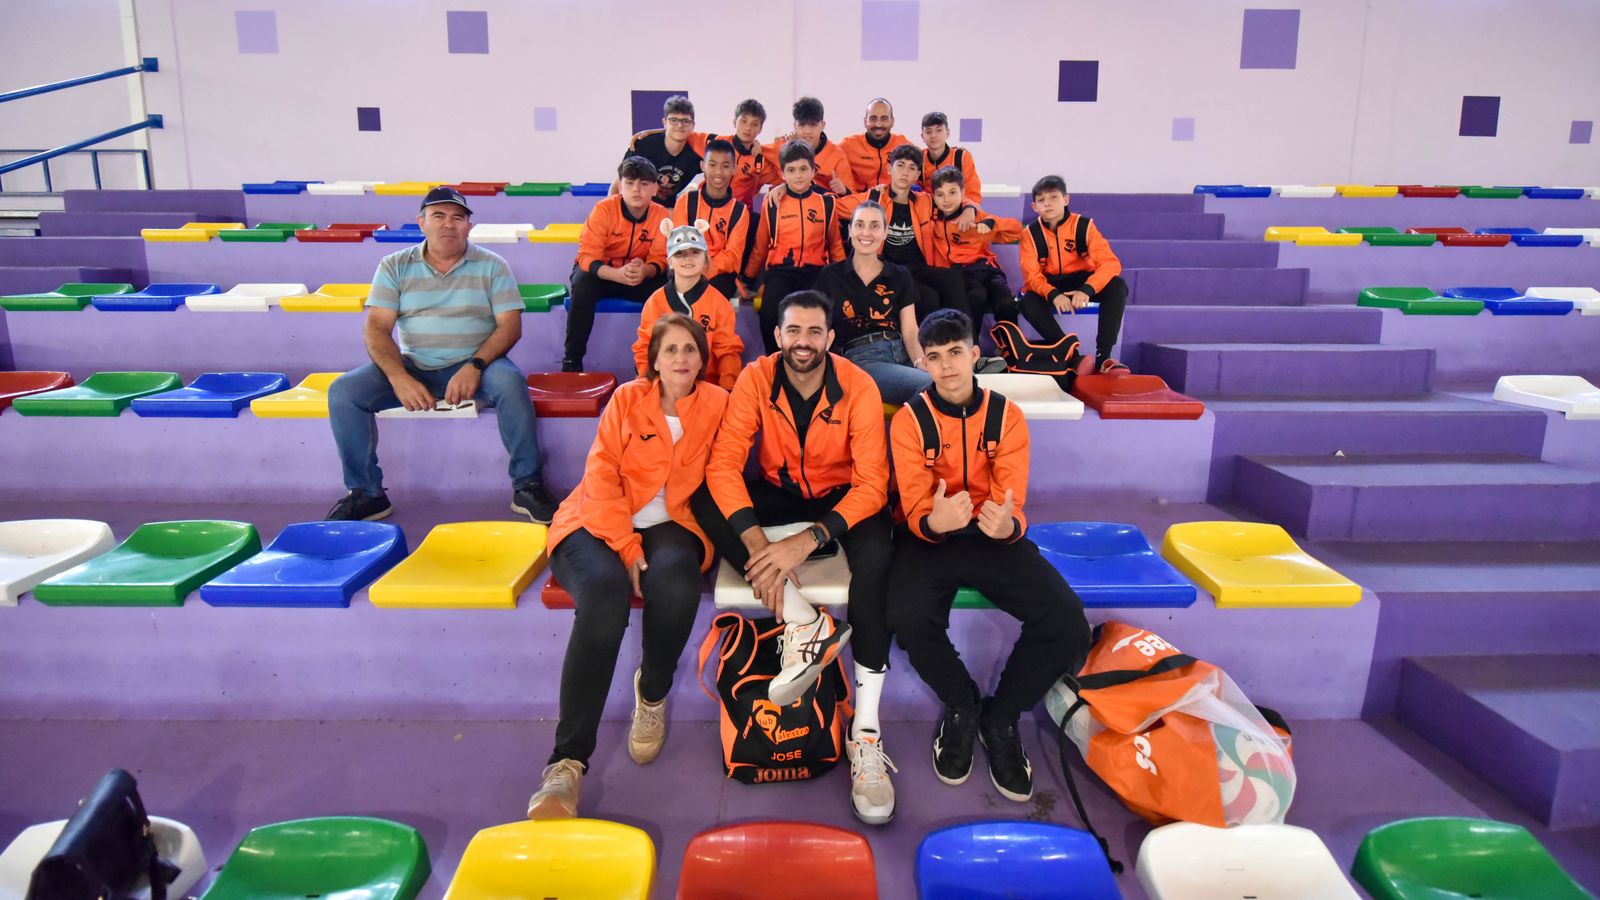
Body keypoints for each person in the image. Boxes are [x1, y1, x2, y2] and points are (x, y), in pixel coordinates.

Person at [692, 290, 898, 825]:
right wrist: (760, 547)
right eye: (792, 331)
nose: (802, 342)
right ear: (778, 334)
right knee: (703, 494)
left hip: (843, 499)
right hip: (782, 491)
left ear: (830, 339)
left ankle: (866, 733)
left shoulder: (859, 385)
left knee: (876, 561)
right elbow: (724, 466)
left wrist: (804, 542)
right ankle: (803, 618)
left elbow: (874, 484)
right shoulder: (756, 378)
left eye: (813, 332)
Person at [528, 314, 731, 819]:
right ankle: (566, 764)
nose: (682, 359)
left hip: (674, 523)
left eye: (690, 349)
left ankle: (653, 691)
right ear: (654, 360)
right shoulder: (625, 399)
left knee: (679, 582)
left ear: (703, 358)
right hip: (595, 522)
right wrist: (625, 546)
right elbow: (599, 477)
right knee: (604, 595)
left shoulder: (718, 405)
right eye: (671, 350)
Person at [886, 308, 1093, 803]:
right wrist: (933, 522)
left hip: (988, 535)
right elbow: (913, 503)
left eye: (955, 352)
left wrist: (1008, 526)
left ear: (975, 355)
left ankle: (1001, 717)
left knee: (1066, 622)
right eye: (934, 357)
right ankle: (962, 705)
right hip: (931, 538)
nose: (947, 366)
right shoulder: (910, 419)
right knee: (905, 617)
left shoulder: (1007, 415)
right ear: (924, 363)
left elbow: (1012, 500)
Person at [325, 187, 555, 524]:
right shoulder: (394, 265)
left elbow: (509, 327)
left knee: (510, 382)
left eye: (457, 218)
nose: (448, 224)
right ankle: (366, 493)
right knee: (344, 392)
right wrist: (399, 377)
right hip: (414, 365)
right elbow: (376, 329)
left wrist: (475, 366)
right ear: (421, 223)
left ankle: (528, 486)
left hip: (478, 364)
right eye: (439, 216)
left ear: (469, 227)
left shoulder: (492, 266)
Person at [814, 200, 932, 405]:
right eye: (860, 225)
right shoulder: (831, 276)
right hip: (862, 359)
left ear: (885, 232)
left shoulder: (900, 275)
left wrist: (919, 361)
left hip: (902, 352)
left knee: (960, 382)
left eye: (875, 226)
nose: (866, 232)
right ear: (850, 230)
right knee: (933, 385)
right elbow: (818, 326)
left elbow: (910, 330)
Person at [837, 143, 970, 323]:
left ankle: (967, 343)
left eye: (912, 168)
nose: (905, 172)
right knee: (928, 298)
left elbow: (952, 204)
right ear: (889, 169)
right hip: (887, 269)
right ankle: (925, 349)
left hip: (917, 267)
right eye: (900, 165)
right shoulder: (873, 198)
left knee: (952, 278)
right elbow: (830, 206)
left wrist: (970, 208)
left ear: (917, 175)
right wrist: (785, 188)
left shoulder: (925, 201)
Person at [565, 156, 670, 372]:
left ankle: (651, 364)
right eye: (629, 183)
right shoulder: (603, 209)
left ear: (655, 188)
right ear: (620, 186)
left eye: (643, 184)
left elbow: (660, 259)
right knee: (583, 284)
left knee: (668, 288)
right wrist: (617, 274)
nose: (636, 190)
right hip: (603, 275)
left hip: (638, 276)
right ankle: (571, 361)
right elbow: (586, 257)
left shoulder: (661, 214)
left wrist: (645, 271)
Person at [1019, 176, 1131, 374]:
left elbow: (1110, 263)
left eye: (1053, 197)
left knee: (1117, 286)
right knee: (1027, 302)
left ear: (1066, 200)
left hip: (1082, 280)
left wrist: (1087, 290)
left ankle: (1103, 357)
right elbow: (1032, 276)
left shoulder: (1084, 226)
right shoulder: (1030, 234)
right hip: (1051, 284)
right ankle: (1072, 355)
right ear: (1034, 207)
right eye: (1041, 200)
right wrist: (1054, 294)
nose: (1047, 203)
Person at [742, 141, 846, 354]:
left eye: (803, 169)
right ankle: (776, 360)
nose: (797, 175)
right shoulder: (772, 203)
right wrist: (747, 279)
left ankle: (818, 360)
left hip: (815, 272)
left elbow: (835, 244)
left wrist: (845, 277)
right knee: (770, 313)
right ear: (782, 173)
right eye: (791, 170)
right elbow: (760, 247)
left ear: (812, 170)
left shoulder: (826, 204)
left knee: (824, 314)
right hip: (780, 272)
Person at [632, 222, 743, 391]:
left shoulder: (719, 303)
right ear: (670, 261)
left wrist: (727, 390)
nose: (688, 258)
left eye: (695, 252)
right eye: (680, 254)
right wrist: (651, 388)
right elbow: (645, 349)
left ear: (705, 258)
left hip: (708, 388)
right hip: (665, 389)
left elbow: (727, 351)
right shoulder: (655, 302)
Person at [928, 165, 1022, 341]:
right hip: (961, 274)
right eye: (940, 194)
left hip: (987, 270)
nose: (946, 199)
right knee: (975, 298)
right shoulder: (933, 222)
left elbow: (1016, 231)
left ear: (963, 194)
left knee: (1006, 303)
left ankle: (1012, 350)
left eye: (952, 192)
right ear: (934, 197)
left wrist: (991, 223)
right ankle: (972, 350)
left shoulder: (976, 217)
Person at [672, 139, 756, 300]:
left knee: (714, 293)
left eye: (725, 166)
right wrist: (692, 268)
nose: (718, 172)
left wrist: (704, 270)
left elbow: (732, 257)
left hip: (720, 275)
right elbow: (678, 244)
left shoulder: (739, 211)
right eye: (712, 165)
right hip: (686, 267)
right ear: (703, 166)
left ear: (734, 169)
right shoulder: (686, 201)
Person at [615, 95, 706, 207]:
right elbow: (618, 184)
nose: (679, 125)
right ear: (664, 122)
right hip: (636, 210)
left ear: (693, 125)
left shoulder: (696, 152)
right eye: (673, 120)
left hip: (666, 211)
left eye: (685, 121)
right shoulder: (644, 145)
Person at [760, 97, 851, 197]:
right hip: (787, 207)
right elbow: (754, 151)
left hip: (822, 208)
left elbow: (851, 198)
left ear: (823, 125)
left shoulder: (836, 155)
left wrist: (844, 191)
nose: (807, 131)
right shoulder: (782, 146)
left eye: (813, 125)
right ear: (795, 126)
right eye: (802, 125)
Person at [839, 98, 912, 193]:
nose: (878, 124)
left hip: (892, 202)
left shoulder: (903, 145)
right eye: (873, 119)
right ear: (865, 122)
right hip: (859, 203)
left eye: (884, 119)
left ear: (892, 121)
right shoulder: (848, 146)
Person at [918, 112, 983, 203]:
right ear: (922, 136)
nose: (933, 135)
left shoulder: (961, 157)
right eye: (928, 132)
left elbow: (973, 193)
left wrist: (969, 209)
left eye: (939, 130)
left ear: (947, 133)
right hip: (929, 213)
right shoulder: (919, 158)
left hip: (958, 211)